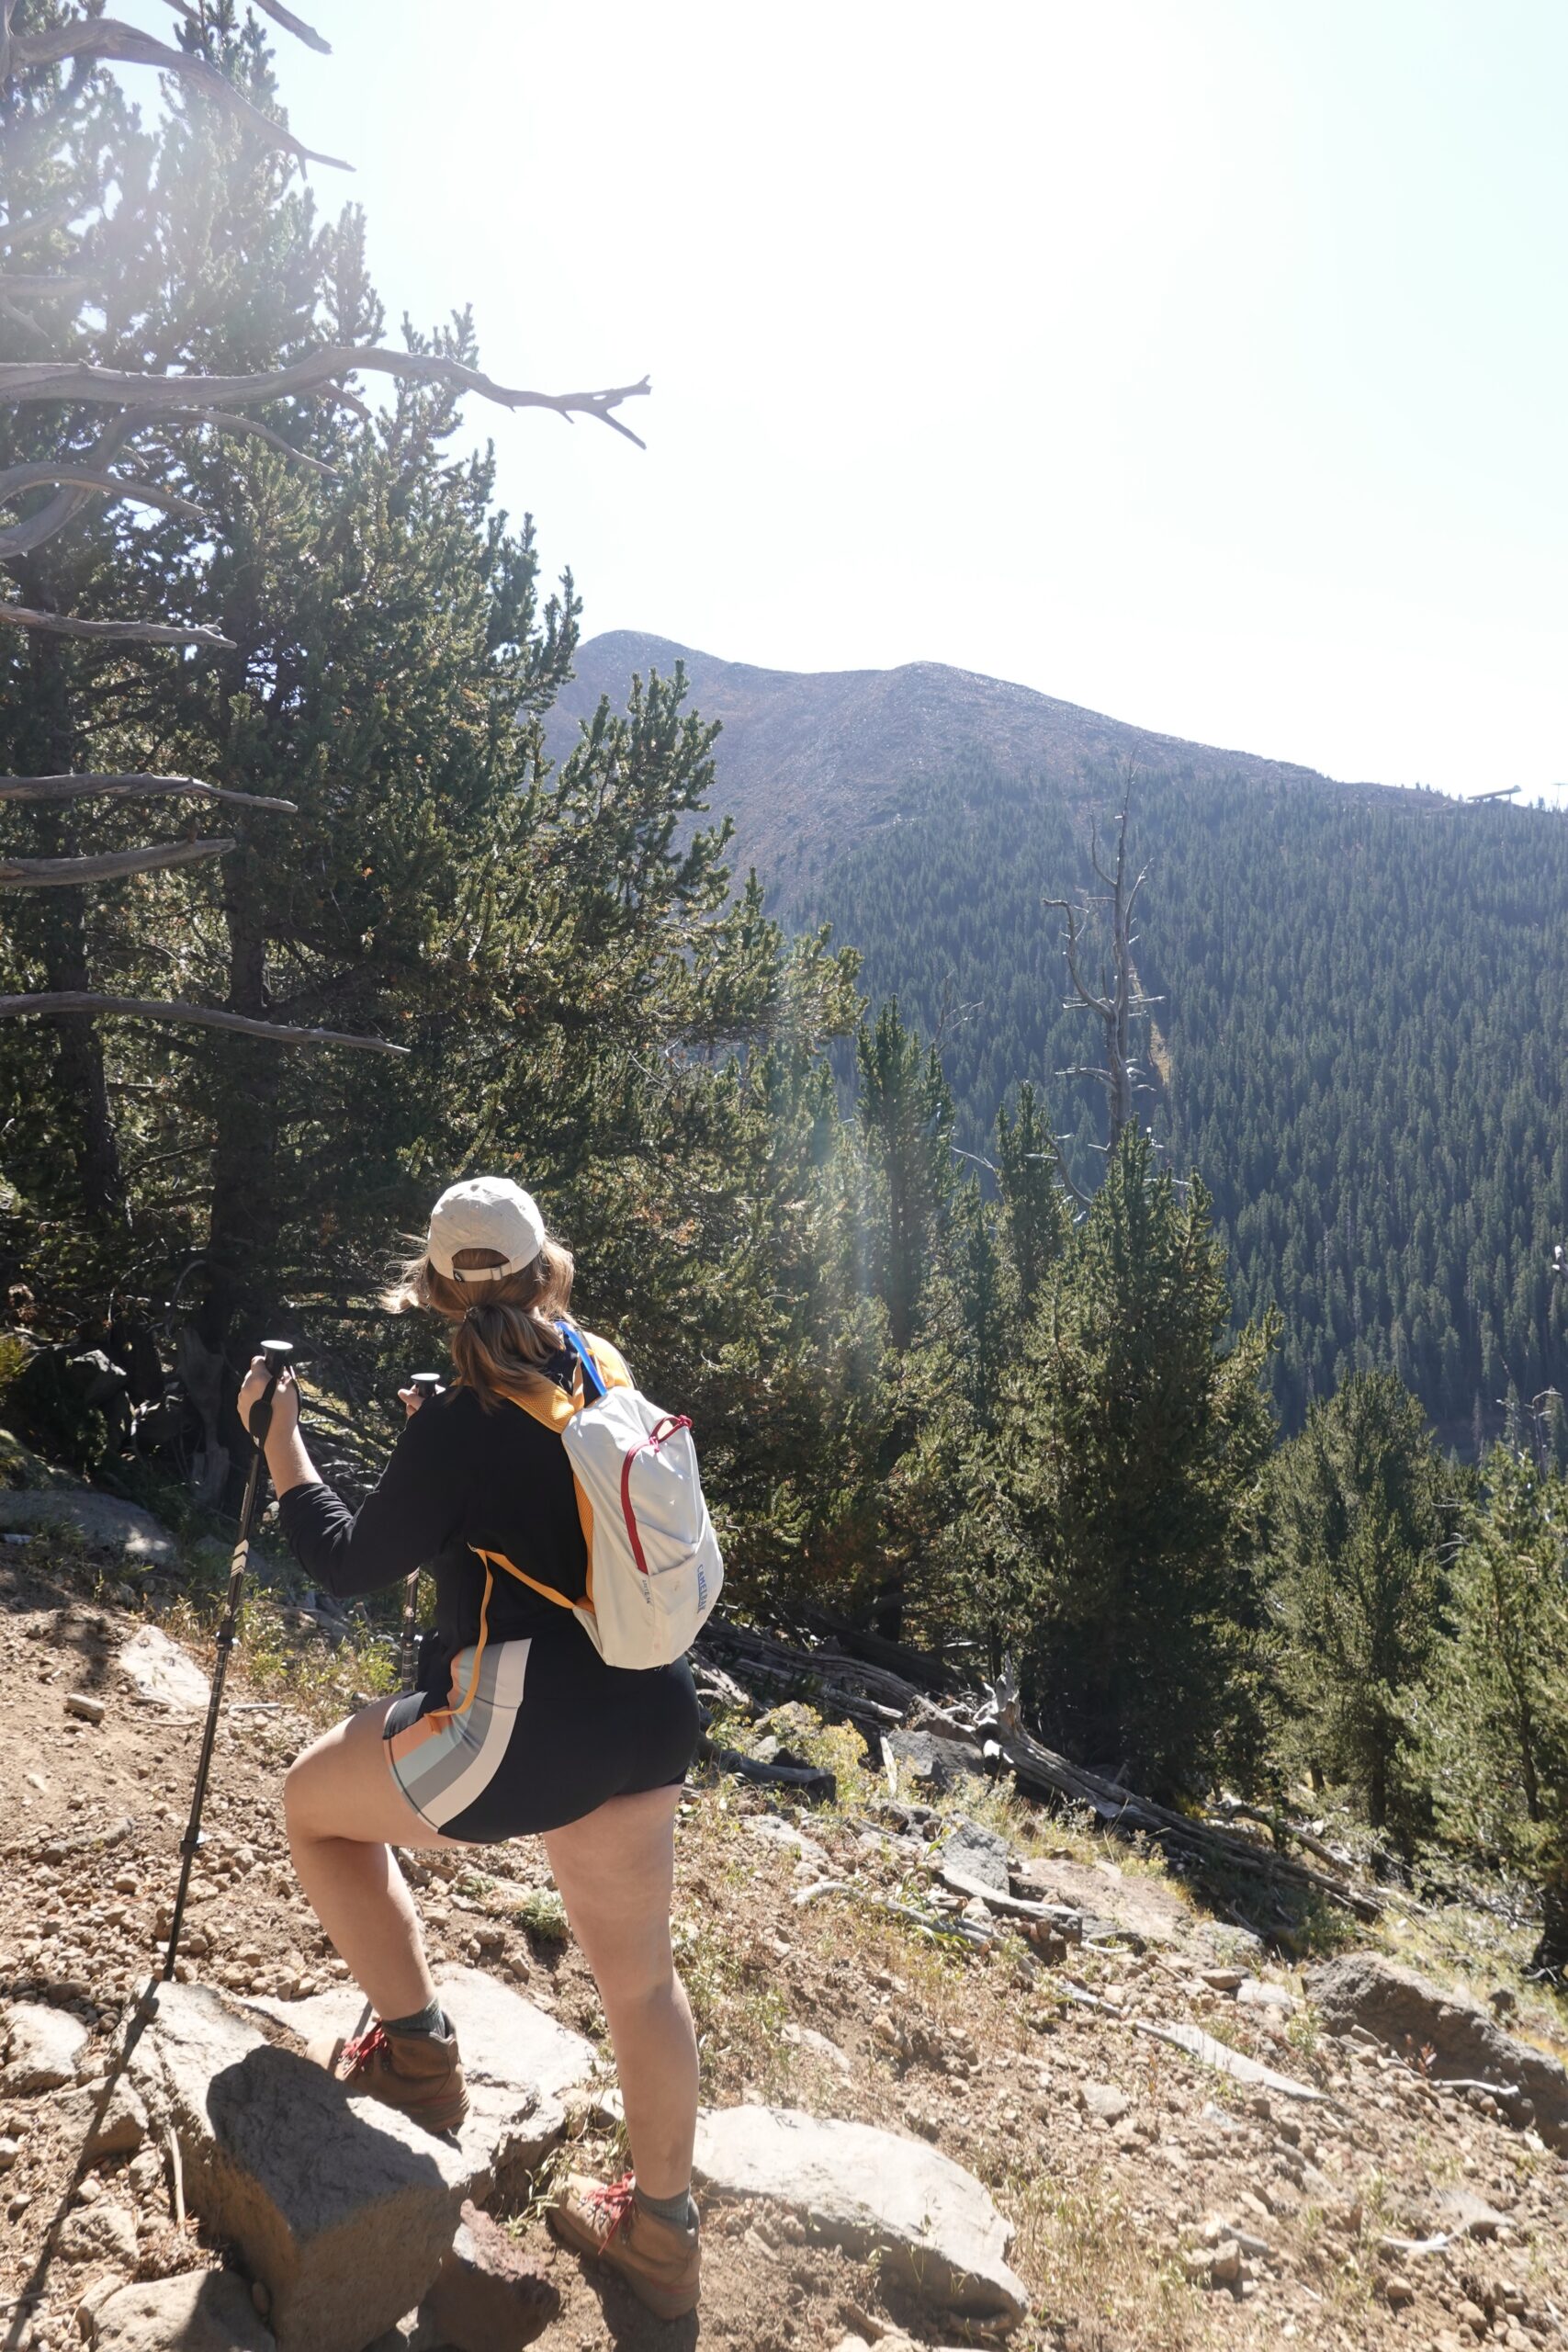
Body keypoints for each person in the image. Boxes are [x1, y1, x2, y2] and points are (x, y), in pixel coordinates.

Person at [238, 1176, 705, 2320]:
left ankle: (417, 2053)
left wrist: (282, 1445)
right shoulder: (600, 1366)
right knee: (640, 1979)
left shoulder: (459, 1424)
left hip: (520, 1733)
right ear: (549, 1268)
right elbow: (547, 1515)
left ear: (440, 1288)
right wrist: (438, 1461)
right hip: (647, 1708)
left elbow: (347, 1559)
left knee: (313, 1805)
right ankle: (660, 2231)